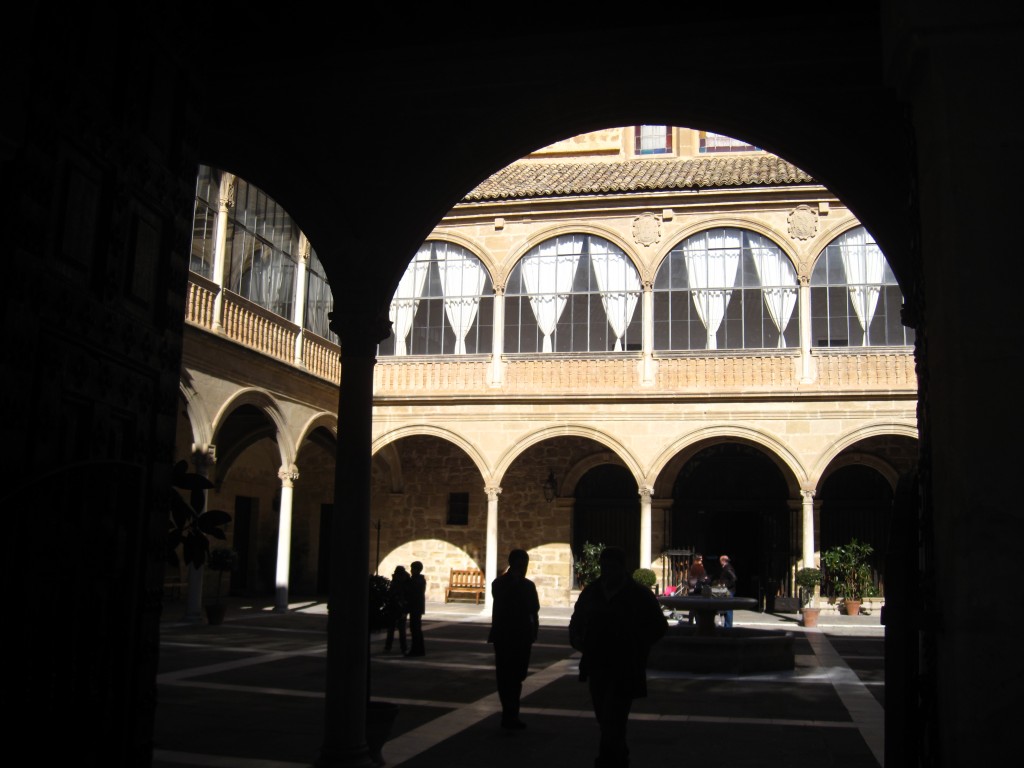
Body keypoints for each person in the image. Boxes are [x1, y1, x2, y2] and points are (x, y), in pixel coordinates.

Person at [570, 546, 668, 767]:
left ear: (622, 568)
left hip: (624, 666)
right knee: (603, 715)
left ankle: (608, 760)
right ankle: (619, 752)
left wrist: (637, 646)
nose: (607, 571)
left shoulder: (639, 594)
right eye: (604, 566)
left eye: (612, 567)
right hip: (597, 664)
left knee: (615, 715)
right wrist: (578, 641)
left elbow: (659, 627)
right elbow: (577, 619)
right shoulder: (593, 592)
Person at [487, 549, 540, 730]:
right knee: (504, 677)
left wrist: (534, 632)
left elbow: (534, 610)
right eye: (519, 564)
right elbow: (500, 598)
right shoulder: (499, 583)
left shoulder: (528, 586)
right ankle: (508, 714)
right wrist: (514, 583)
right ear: (512, 564)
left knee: (518, 676)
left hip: (523, 636)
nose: (522, 568)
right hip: (504, 636)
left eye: (524, 564)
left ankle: (512, 713)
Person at [383, 565, 410, 653]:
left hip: (395, 607)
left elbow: (392, 594)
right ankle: (403, 647)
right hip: (399, 608)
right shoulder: (405, 582)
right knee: (401, 630)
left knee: (392, 629)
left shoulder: (396, 581)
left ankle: (388, 647)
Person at [404, 561, 427, 657]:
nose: (411, 570)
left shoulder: (416, 580)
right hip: (418, 607)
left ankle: (415, 650)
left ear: (417, 570)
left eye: (413, 568)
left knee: (415, 629)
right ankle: (420, 649)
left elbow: (411, 592)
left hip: (415, 607)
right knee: (417, 629)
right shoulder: (420, 580)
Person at [718, 555, 738, 628]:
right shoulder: (725, 568)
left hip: (728, 591)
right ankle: (726, 626)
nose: (720, 562)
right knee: (726, 609)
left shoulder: (728, 568)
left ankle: (728, 627)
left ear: (723, 561)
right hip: (726, 591)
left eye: (720, 560)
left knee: (728, 609)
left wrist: (726, 585)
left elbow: (734, 578)